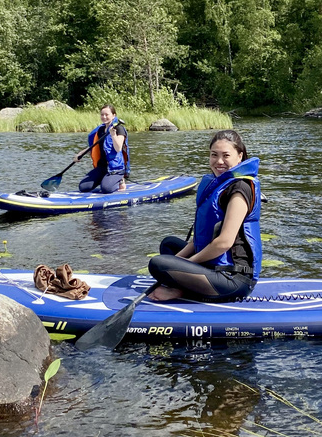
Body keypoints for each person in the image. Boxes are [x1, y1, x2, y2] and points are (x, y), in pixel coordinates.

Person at [147, 129, 261, 302]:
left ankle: (182, 290)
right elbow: (199, 239)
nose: (219, 161)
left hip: (233, 279)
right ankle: (183, 285)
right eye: (214, 155)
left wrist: (188, 264)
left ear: (240, 156)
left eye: (226, 155)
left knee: (157, 264)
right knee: (168, 246)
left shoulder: (240, 189)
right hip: (213, 266)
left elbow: (224, 243)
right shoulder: (218, 185)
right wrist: (176, 263)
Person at [77, 104, 129, 194]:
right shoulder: (101, 130)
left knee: (106, 189)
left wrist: (113, 135)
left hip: (115, 168)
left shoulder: (119, 129)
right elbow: (94, 146)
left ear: (114, 115)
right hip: (102, 167)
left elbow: (118, 148)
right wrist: (80, 154)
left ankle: (120, 179)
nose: (104, 117)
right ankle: (105, 178)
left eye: (107, 115)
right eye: (102, 115)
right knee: (83, 187)